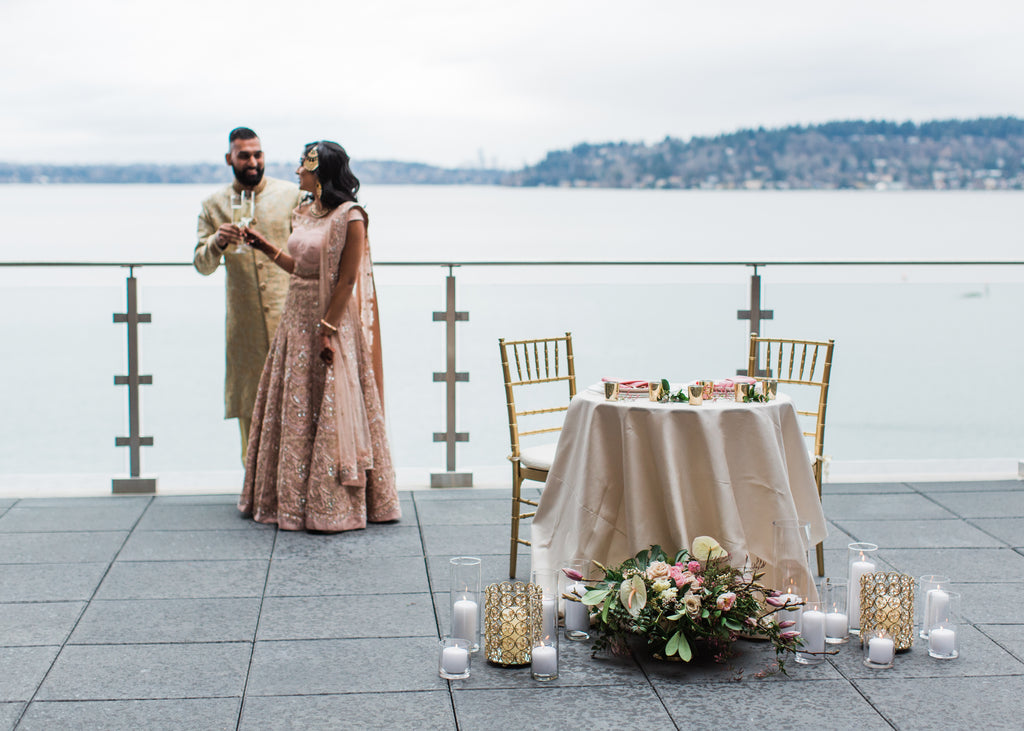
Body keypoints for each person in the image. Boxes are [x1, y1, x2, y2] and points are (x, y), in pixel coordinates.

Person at [237, 141, 400, 532]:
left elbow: (346, 280)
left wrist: (327, 332)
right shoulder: (306, 211)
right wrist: (264, 247)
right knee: (295, 406)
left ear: (320, 170)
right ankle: (289, 500)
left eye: (303, 166)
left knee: (331, 406)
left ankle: (336, 504)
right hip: (295, 318)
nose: (296, 173)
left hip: (331, 321)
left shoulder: (351, 216)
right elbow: (300, 267)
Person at [194, 127, 303, 462]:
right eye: (244, 155)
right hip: (245, 328)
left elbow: (308, 254)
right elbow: (202, 264)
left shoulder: (291, 196)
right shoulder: (213, 205)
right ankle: (254, 488)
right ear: (230, 158)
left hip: (291, 320)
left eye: (258, 154)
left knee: (297, 406)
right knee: (250, 408)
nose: (253, 161)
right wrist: (218, 242)